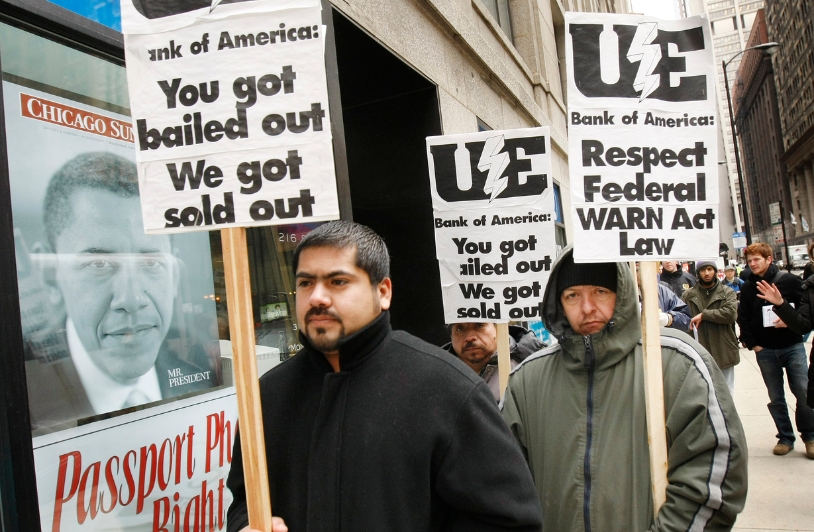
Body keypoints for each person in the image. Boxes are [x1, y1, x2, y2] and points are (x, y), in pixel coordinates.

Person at [226, 221, 543, 532]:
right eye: (306, 283)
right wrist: (246, 525)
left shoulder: (446, 389)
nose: (317, 297)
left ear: (383, 291)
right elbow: (244, 501)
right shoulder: (268, 396)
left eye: (337, 281)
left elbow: (510, 520)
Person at [501, 247, 747, 531]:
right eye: (572, 295)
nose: (587, 307)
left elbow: (713, 475)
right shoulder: (526, 381)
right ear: (558, 304)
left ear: (623, 293)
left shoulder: (677, 364)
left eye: (600, 292)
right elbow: (503, 486)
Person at [25, 152, 215, 430]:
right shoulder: (21, 398)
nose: (132, 299)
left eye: (150, 262)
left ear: (173, 274)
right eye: (99, 263)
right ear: (51, 278)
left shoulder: (197, 370)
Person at [737, 242, 814, 457]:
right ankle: (785, 437)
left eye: (756, 260)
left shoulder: (789, 281)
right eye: (749, 260)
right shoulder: (747, 287)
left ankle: (810, 437)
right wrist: (755, 345)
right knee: (775, 396)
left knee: (804, 391)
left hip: (792, 345)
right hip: (766, 351)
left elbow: (806, 309)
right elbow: (742, 318)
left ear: (769, 259)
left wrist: (790, 320)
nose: (752, 264)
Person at [442, 322, 543, 400]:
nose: (469, 337)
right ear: (451, 336)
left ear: (497, 328)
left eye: (479, 325)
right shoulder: (436, 374)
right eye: (459, 328)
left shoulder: (533, 365)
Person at [682, 260, 740, 394]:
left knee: (726, 392)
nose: (706, 273)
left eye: (709, 269)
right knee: (703, 392)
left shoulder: (727, 292)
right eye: (703, 270)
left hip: (723, 348)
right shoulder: (688, 295)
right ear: (698, 273)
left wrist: (704, 315)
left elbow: (731, 314)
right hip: (699, 348)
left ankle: (726, 416)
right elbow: (683, 320)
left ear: (715, 271)